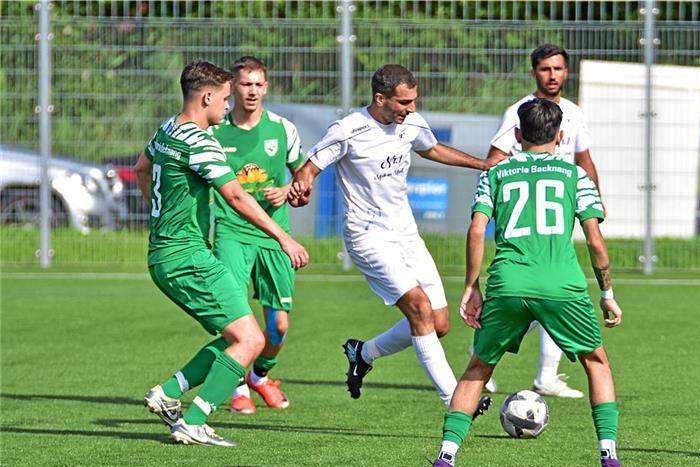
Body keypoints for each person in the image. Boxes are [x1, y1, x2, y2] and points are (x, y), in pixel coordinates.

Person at [420, 98, 629, 467]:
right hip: (562, 285)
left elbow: (477, 230)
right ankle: (610, 463)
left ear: (517, 135)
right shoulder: (575, 175)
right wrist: (607, 292)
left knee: (478, 369)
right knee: (596, 362)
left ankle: (443, 463)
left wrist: (471, 285)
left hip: (508, 283)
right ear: (561, 136)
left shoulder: (496, 173)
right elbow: (596, 241)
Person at [288, 64, 504, 409]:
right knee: (419, 308)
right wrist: (302, 185)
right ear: (380, 98)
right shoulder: (348, 130)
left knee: (440, 322)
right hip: (367, 236)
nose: (412, 108)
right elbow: (310, 168)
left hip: (406, 233)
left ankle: (363, 352)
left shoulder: (411, 123)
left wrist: (480, 164)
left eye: (414, 100)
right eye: (404, 102)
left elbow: (430, 148)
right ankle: (455, 401)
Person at [133, 60, 309, 446]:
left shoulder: (168, 129)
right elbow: (235, 195)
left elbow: (141, 168)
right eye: (226, 98)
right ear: (208, 96)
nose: (229, 106)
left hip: (167, 252)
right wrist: (285, 237)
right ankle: (194, 420)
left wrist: (162, 215)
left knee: (240, 334)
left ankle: (167, 392)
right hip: (186, 257)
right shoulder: (200, 140)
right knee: (251, 341)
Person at [484, 43, 602, 399]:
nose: (553, 75)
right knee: (530, 288)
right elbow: (494, 159)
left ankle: (546, 376)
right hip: (527, 217)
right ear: (534, 72)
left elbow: (584, 159)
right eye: (546, 69)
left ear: (567, 72)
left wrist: (595, 197)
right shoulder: (519, 112)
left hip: (559, 216)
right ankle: (482, 361)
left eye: (559, 69)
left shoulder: (573, 113)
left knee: (550, 290)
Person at [210, 57, 304, 414]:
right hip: (232, 232)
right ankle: (237, 387)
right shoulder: (215, 131)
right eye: (245, 84)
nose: (252, 91)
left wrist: (290, 188)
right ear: (232, 87)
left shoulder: (283, 129)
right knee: (234, 316)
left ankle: (260, 376)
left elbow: (304, 178)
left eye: (258, 84)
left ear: (266, 87)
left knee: (278, 325)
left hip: (275, 235)